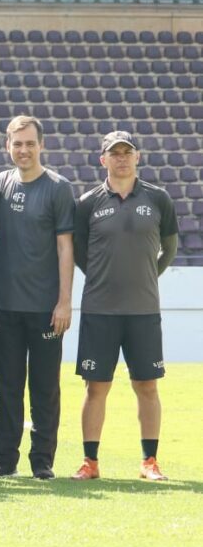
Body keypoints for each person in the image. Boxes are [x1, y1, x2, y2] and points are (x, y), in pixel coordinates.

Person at [70, 131, 179, 481]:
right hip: (99, 310)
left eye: (126, 152)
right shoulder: (87, 202)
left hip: (143, 310)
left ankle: (150, 462)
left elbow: (170, 249)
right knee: (95, 387)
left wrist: (148, 275)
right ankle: (91, 463)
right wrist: (104, 278)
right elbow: (81, 252)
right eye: (113, 153)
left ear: (137, 157)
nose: (121, 158)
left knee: (147, 385)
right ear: (102, 159)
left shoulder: (158, 198)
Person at [0, 116, 76, 480]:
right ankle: (4, 461)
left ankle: (42, 461)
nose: (23, 150)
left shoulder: (58, 187)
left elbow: (64, 247)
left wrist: (64, 301)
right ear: (7, 146)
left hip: (44, 309)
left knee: (44, 389)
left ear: (42, 145)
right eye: (17, 143)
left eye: (29, 143)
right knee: (6, 390)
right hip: (3, 308)